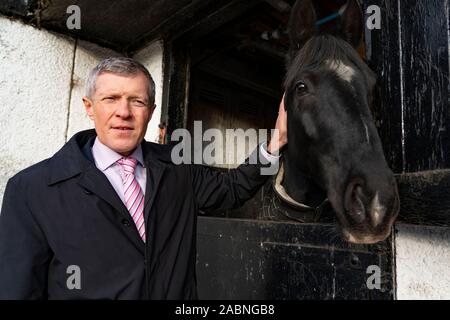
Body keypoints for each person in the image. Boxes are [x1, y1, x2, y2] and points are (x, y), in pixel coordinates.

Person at [0, 57, 287, 299]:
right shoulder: (31, 189)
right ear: (89, 107)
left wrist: (276, 143)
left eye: (136, 101)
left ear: (150, 112)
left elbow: (232, 188)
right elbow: (18, 290)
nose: (123, 112)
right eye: (111, 99)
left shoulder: (178, 168)